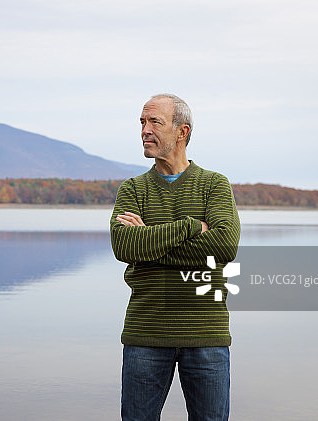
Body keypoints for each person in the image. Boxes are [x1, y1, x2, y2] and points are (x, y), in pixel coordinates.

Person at [110, 94, 240, 421]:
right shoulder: (133, 189)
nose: (145, 130)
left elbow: (224, 246)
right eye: (142, 122)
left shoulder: (214, 185)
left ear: (182, 132)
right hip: (146, 333)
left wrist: (150, 240)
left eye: (155, 122)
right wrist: (191, 226)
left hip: (206, 333)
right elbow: (124, 247)